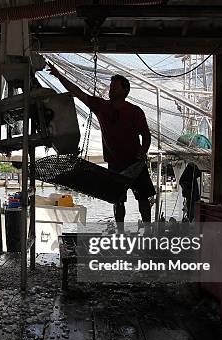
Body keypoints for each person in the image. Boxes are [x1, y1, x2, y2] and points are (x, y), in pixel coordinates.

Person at [46, 63, 155, 224]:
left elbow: (146, 136)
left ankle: (148, 231)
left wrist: (143, 151)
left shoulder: (135, 111)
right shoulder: (102, 106)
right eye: (111, 86)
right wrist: (59, 76)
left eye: (114, 86)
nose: (110, 89)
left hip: (135, 164)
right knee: (117, 200)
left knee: (143, 198)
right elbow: (78, 93)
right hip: (115, 164)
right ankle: (120, 233)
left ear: (125, 91)